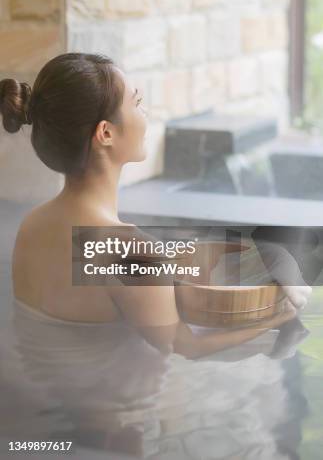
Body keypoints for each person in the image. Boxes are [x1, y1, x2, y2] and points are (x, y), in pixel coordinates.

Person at [0, 53, 301, 360]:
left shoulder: (31, 225)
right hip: (115, 406)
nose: (146, 112)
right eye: (137, 102)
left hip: (43, 400)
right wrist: (282, 316)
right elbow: (186, 346)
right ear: (105, 133)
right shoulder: (131, 251)